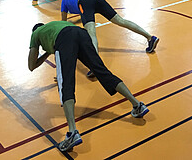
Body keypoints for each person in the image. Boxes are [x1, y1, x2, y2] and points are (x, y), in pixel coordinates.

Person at [28, 21, 149, 152]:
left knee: (66, 84)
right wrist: (50, 49)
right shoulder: (54, 25)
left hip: (63, 39)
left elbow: (31, 65)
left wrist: (46, 50)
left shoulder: (35, 34)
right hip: (81, 33)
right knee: (103, 72)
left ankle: (72, 132)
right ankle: (137, 105)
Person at [60, 0, 159, 56]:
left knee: (91, 32)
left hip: (84, 2)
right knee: (121, 20)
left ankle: (95, 64)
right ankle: (150, 37)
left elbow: (63, 22)